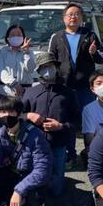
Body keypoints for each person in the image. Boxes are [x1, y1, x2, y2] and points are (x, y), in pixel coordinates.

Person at [48, 2, 103, 170]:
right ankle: (70, 155)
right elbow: (51, 59)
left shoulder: (90, 34)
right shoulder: (57, 37)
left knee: (89, 121)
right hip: (64, 86)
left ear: (81, 18)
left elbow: (102, 57)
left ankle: (91, 155)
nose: (73, 17)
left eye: (76, 14)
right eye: (70, 14)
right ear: (64, 18)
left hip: (85, 86)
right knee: (67, 122)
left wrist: (94, 53)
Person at [22, 52, 78, 197]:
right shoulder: (30, 92)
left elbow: (76, 121)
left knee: (56, 190)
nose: (48, 70)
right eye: (44, 67)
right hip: (35, 145)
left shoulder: (68, 93)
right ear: (38, 71)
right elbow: (18, 116)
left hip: (58, 145)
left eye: (51, 66)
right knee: (34, 182)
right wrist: (29, 115)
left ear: (57, 68)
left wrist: (61, 126)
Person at [81, 69, 103, 163]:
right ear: (92, 89)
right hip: (101, 150)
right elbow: (89, 137)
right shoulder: (89, 109)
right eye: (98, 83)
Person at [0, 24, 36, 96]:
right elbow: (1, 71)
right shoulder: (3, 51)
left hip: (25, 90)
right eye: (13, 35)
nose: (16, 37)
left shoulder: (29, 52)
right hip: (7, 91)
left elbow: (31, 69)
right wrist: (14, 83)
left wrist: (26, 53)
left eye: (19, 35)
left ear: (23, 37)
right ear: (8, 38)